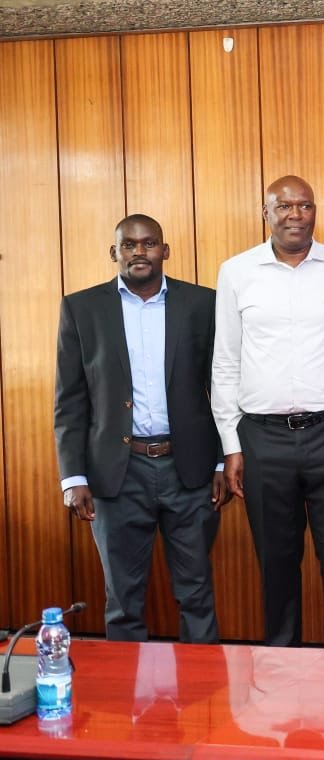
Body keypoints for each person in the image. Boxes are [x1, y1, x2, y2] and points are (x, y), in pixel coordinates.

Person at [212, 175, 324, 649]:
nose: (294, 214)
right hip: (263, 437)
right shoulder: (237, 273)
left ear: (314, 211)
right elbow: (224, 361)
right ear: (265, 212)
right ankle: (280, 666)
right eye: (283, 206)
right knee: (276, 560)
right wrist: (231, 444)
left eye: (303, 206)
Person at [54, 214, 228, 642]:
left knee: (197, 593)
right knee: (122, 601)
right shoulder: (82, 308)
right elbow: (70, 399)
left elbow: (224, 386)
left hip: (188, 471)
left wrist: (224, 462)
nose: (139, 252)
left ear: (165, 251)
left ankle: (203, 704)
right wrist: (73, 476)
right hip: (116, 474)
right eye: (129, 245)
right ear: (115, 253)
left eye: (149, 243)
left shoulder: (202, 304)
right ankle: (126, 705)